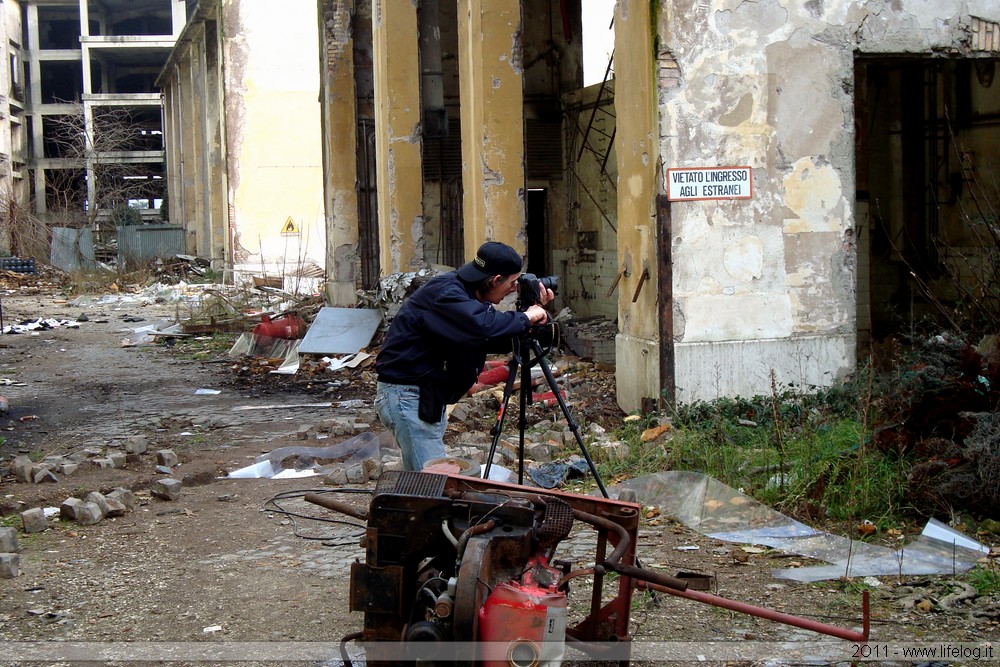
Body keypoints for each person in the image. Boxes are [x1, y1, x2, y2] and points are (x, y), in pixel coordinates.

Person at [374, 241, 554, 471]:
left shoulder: (466, 297)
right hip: (409, 396)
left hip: (422, 396)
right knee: (434, 482)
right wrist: (525, 318)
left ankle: (396, 506)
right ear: (495, 279)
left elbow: (485, 335)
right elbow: (481, 326)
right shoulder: (447, 294)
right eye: (511, 283)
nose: (513, 289)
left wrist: (531, 320)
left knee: (420, 481)